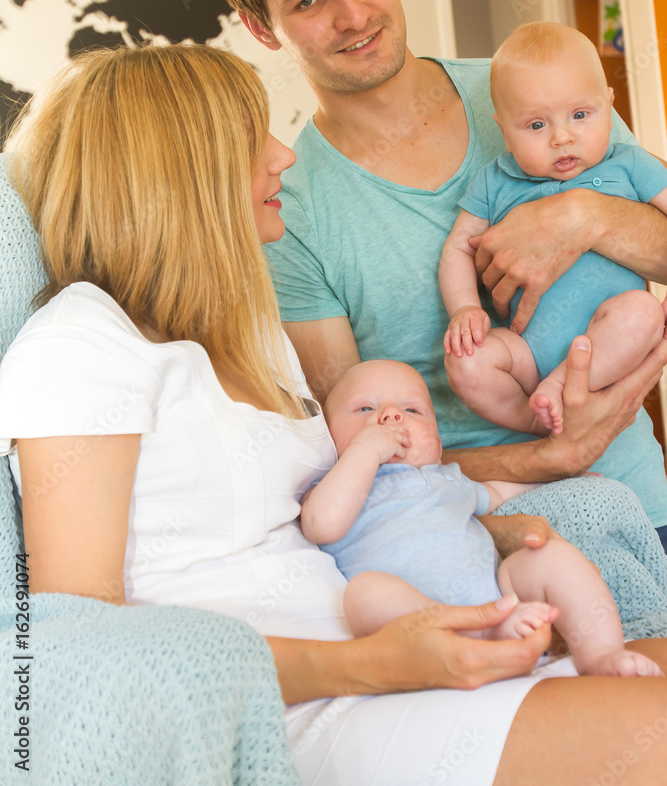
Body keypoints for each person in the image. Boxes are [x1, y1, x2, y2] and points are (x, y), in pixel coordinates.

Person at [2, 44, 667, 786]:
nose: (284, 155)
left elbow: (333, 507)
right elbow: (74, 642)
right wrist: (369, 664)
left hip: (400, 645)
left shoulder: (246, 337)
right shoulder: (83, 343)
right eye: (254, 138)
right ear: (180, 170)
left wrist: (472, 524)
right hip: (302, 710)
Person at [210, 0, 667, 536]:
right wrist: (550, 456)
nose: (352, 13)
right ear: (261, 27)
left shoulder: (536, 92)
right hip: (469, 544)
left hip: (640, 508)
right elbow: (353, 445)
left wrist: (583, 215)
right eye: (308, 0)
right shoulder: (289, 214)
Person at [302, 358, 663, 677]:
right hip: (416, 619)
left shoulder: (446, 479)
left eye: (412, 411)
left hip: (497, 598)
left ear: (438, 446)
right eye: (365, 409)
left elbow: (498, 493)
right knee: (365, 594)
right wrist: (366, 450)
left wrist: (564, 476)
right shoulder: (338, 484)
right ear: (329, 440)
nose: (391, 417)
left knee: (549, 558)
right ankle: (476, 635)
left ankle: (601, 653)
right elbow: (322, 525)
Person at [442, 22, 667, 436]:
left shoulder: (630, 164)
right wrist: (465, 309)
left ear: (609, 106)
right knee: (464, 359)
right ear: (503, 130)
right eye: (536, 126)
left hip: (606, 339)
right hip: (524, 351)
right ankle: (534, 422)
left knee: (644, 313)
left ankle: (561, 387)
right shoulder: (495, 182)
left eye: (581, 115)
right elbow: (458, 247)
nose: (563, 137)